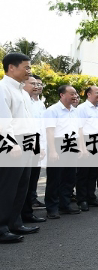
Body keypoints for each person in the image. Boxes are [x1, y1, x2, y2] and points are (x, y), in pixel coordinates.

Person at [0, 53, 39, 242]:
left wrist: (30, 141)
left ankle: (15, 223)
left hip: (24, 140)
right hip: (10, 141)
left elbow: (27, 120)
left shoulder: (23, 92)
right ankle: (1, 227)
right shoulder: (2, 88)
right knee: (8, 186)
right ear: (11, 68)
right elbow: (3, 120)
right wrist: (11, 143)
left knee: (22, 185)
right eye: (26, 67)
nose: (29, 71)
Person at [43, 85, 85, 218]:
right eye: (71, 93)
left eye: (75, 94)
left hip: (72, 143)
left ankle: (65, 204)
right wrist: (53, 151)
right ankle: (52, 208)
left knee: (70, 176)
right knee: (55, 177)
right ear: (62, 95)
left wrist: (80, 146)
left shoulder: (75, 111)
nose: (74, 96)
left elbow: (79, 130)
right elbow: (50, 131)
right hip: (59, 143)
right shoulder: (53, 110)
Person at [75, 86, 98, 211]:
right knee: (83, 171)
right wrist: (82, 146)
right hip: (87, 140)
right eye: (97, 93)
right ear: (89, 94)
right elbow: (80, 128)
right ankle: (81, 199)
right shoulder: (82, 108)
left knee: (94, 171)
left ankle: (91, 197)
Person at [21, 75, 46, 223]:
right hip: (25, 142)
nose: (37, 86)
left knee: (32, 179)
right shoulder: (23, 100)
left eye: (38, 84)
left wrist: (41, 146)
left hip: (36, 143)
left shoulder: (40, 104)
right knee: (22, 181)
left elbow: (39, 127)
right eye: (33, 83)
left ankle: (27, 212)